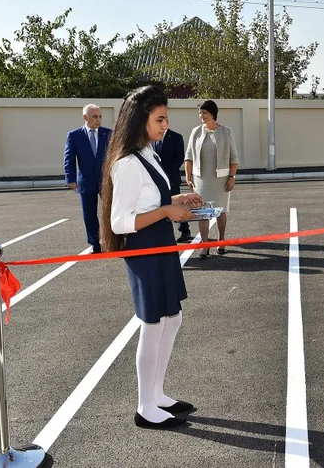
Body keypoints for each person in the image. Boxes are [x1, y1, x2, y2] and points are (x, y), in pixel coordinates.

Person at [100, 85, 204, 429]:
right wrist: (165, 212)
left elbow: (155, 201)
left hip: (161, 244)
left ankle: (157, 394)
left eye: (166, 118)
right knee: (154, 323)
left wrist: (181, 200)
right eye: (160, 119)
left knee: (172, 318)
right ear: (139, 120)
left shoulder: (149, 154)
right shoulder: (128, 163)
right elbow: (120, 221)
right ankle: (145, 407)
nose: (165, 125)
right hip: (144, 249)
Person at [184, 99, 239, 260]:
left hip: (220, 179)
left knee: (220, 211)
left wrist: (232, 177)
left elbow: (234, 158)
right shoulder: (196, 132)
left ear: (213, 113)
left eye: (204, 113)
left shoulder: (226, 132)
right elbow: (188, 157)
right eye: (200, 113)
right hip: (200, 178)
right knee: (202, 212)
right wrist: (188, 177)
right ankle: (204, 245)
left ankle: (221, 240)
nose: (201, 116)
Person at [64, 104, 112, 253]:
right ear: (85, 117)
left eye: (100, 116)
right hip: (85, 181)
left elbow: (116, 157)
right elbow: (69, 158)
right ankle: (95, 244)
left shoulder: (109, 134)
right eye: (95, 117)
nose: (98, 120)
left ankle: (113, 242)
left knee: (110, 212)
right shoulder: (74, 135)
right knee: (89, 215)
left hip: (106, 181)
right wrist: (70, 179)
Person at [153, 128, 193, 243]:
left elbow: (179, 158)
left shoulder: (176, 137)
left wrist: (167, 172)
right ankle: (163, 234)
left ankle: (185, 231)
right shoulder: (153, 137)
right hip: (157, 179)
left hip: (172, 178)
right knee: (160, 205)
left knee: (178, 204)